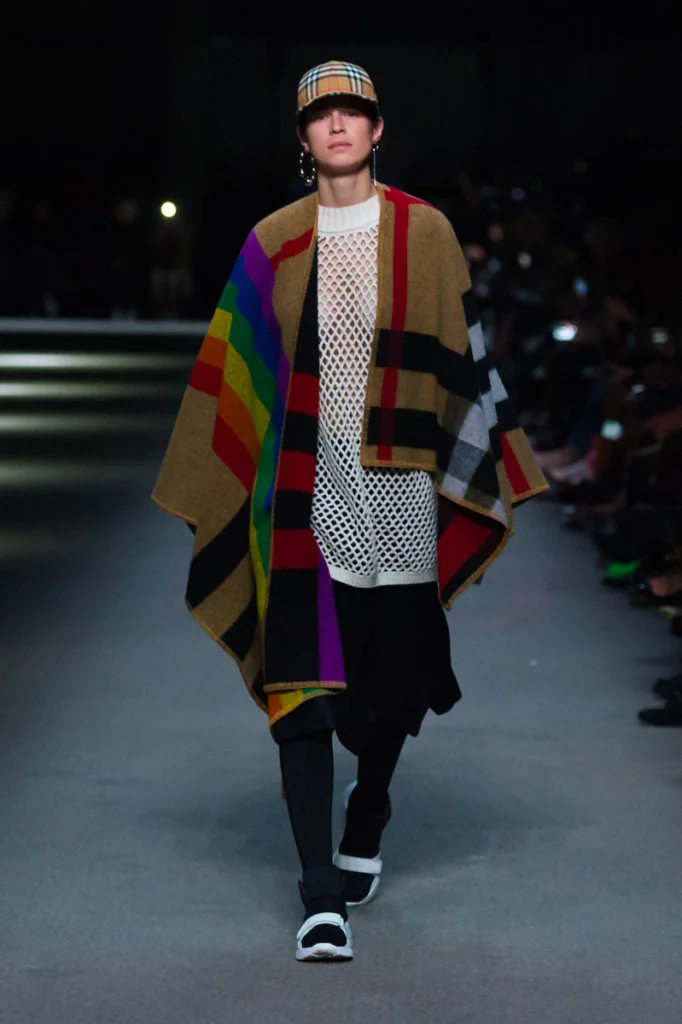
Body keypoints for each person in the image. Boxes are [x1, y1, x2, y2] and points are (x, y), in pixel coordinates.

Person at [152, 60, 548, 962]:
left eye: (352, 111)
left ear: (377, 130)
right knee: (302, 691)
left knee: (387, 693)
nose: (337, 124)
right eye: (321, 113)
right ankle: (318, 895)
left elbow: (462, 360)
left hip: (400, 494)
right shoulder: (274, 240)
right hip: (301, 491)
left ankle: (369, 806)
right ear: (303, 137)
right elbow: (235, 364)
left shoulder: (428, 231)